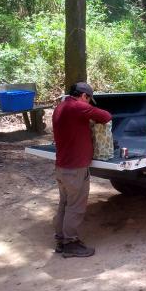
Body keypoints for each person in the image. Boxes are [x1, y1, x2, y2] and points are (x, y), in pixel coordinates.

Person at [50, 81, 112, 258]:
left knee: (65, 204)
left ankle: (61, 240)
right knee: (75, 207)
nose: (88, 103)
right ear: (84, 96)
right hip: (75, 168)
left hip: (62, 166)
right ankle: (70, 243)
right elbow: (106, 116)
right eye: (88, 99)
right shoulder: (78, 107)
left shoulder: (61, 107)